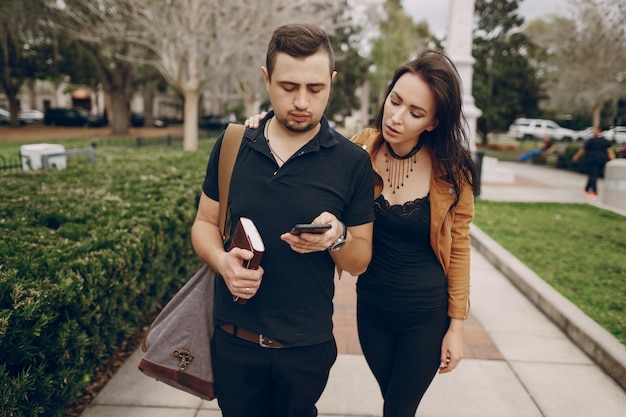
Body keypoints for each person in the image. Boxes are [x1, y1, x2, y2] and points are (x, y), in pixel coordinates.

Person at [247, 49, 480, 417]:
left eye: (415, 113)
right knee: (391, 400)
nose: (397, 117)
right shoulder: (359, 149)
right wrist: (266, 125)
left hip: (425, 313)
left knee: (399, 409)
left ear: (433, 123)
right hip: (371, 307)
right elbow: (310, 147)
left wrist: (457, 326)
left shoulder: (452, 173)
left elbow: (460, 248)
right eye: (395, 101)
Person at [191, 23, 374, 417]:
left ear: (332, 82)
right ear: (266, 79)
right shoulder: (233, 143)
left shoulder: (353, 162)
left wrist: (336, 239)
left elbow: (360, 261)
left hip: (305, 349)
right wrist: (223, 263)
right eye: (289, 87)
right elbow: (204, 223)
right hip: (233, 341)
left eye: (315, 88)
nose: (302, 101)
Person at [572, 126, 615, 199]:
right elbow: (609, 151)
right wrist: (613, 161)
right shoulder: (606, 141)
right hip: (601, 160)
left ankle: (594, 192)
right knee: (593, 174)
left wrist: (576, 157)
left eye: (594, 130)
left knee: (593, 175)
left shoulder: (591, 140)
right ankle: (587, 188)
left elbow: (583, 150)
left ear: (599, 130)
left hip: (591, 159)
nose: (593, 131)